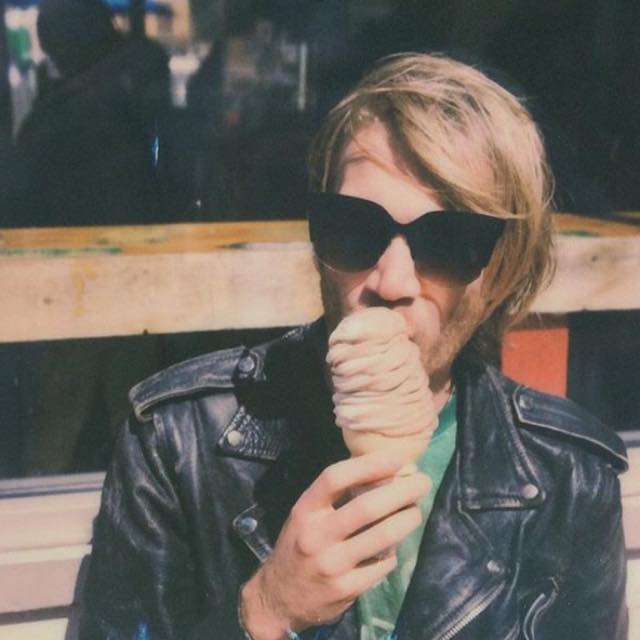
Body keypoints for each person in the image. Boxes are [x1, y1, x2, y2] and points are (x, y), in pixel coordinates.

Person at [80, 53, 628, 639]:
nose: (391, 282)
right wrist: (264, 611)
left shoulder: (573, 478)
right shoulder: (174, 441)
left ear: (502, 273)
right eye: (355, 227)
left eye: (449, 241)